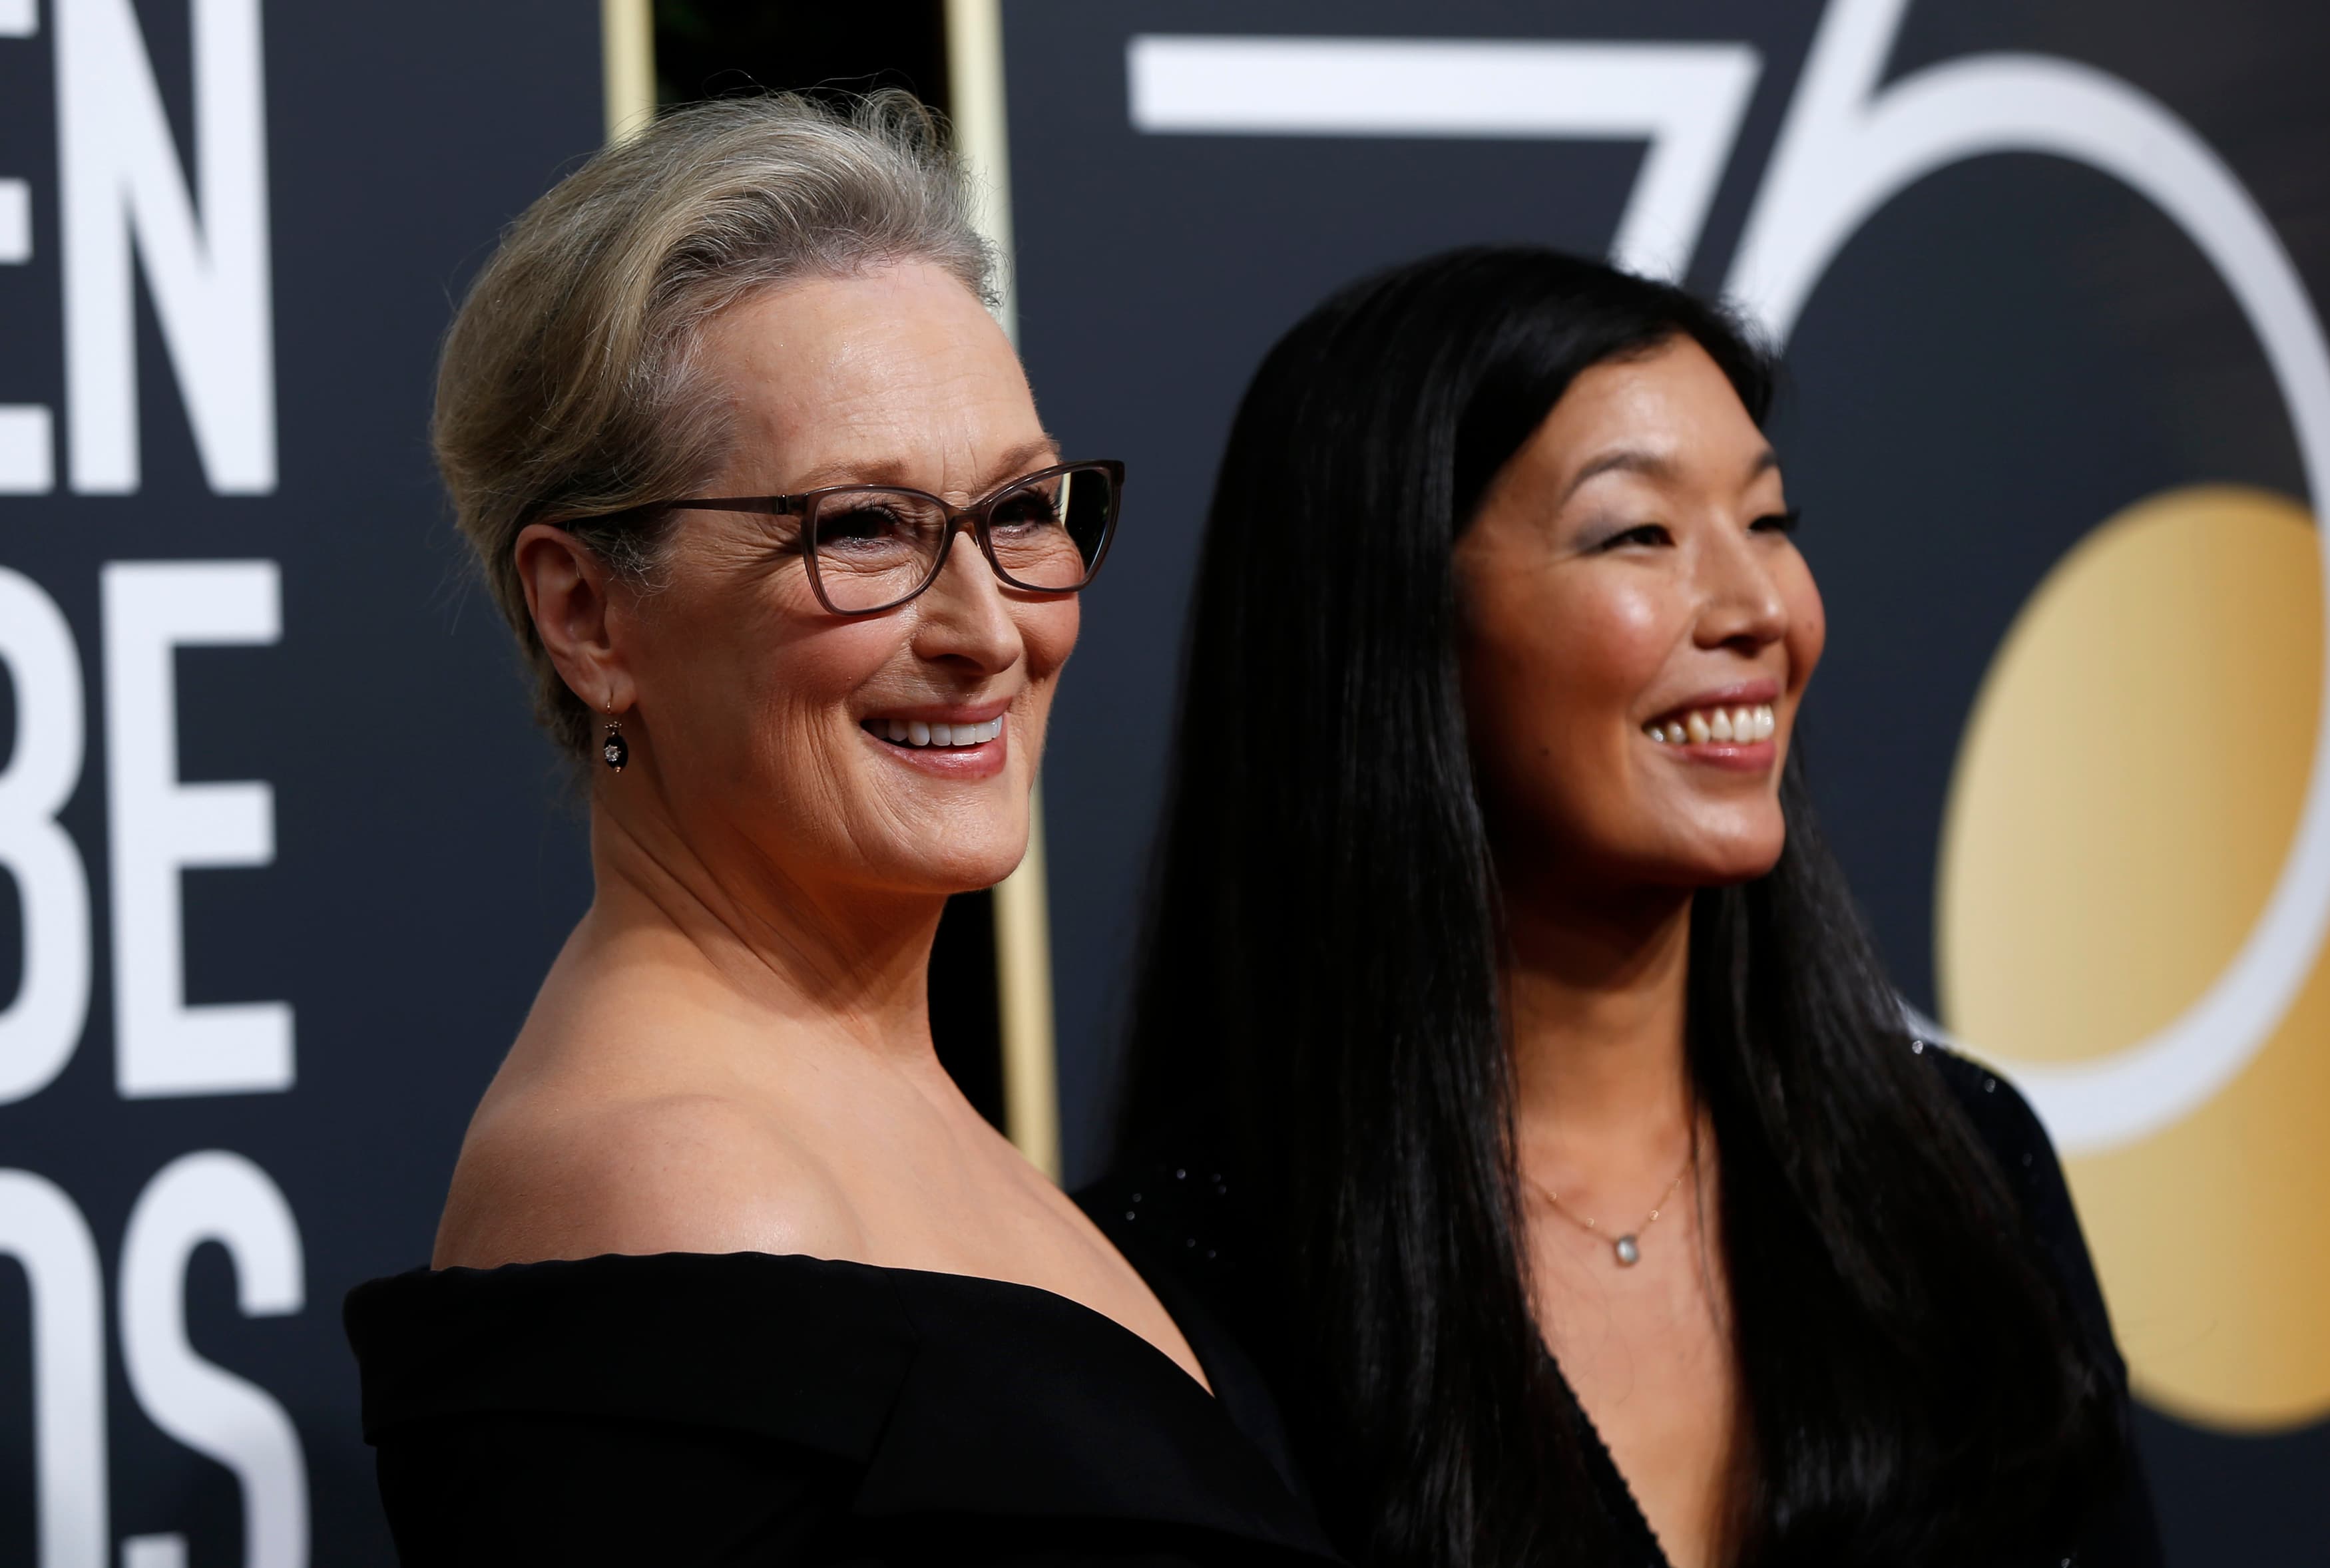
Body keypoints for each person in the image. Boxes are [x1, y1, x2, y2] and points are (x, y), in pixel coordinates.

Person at [343, 94, 1338, 1567]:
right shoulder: (679, 1183)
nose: (988, 629)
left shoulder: (874, 1103)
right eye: (862, 527)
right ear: (587, 612)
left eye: (1019, 507)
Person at [1094, 248, 2163, 1568]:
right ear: (1395, 622)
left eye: (1770, 522)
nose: (1761, 608)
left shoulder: (1965, 1166)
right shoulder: (1178, 1289)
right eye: (1639, 533)